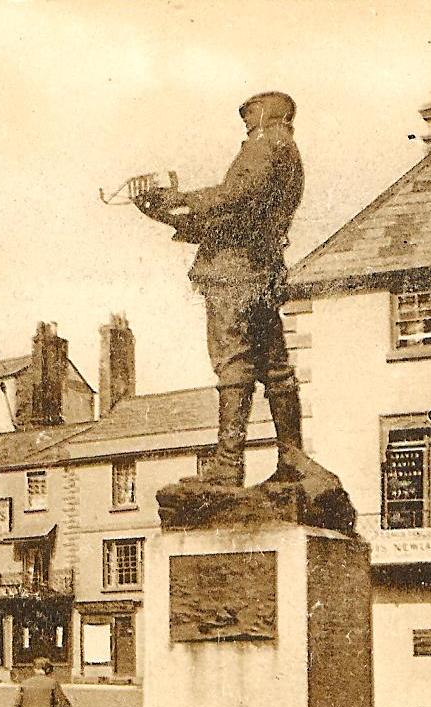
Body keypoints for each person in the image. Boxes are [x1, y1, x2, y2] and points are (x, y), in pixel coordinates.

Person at [135, 91, 310, 488]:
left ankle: (228, 464)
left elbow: (236, 196)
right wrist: (166, 214)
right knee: (275, 369)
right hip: (260, 272)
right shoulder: (287, 151)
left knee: (232, 364)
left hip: (233, 274)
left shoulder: (266, 144)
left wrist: (180, 199)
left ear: (265, 112)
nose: (245, 123)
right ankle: (292, 458)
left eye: (249, 114)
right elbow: (236, 218)